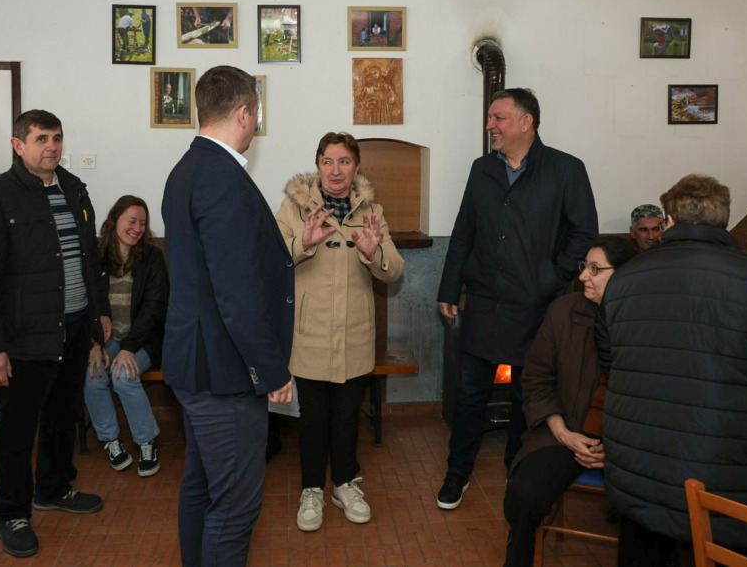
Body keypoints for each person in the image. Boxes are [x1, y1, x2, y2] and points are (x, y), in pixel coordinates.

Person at [598, 174, 747, 565]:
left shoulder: (625, 279)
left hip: (639, 454)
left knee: (644, 547)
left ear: (669, 221)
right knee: (723, 552)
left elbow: (610, 356)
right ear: (724, 220)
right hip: (724, 460)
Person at [436, 87, 598, 510]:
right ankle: (457, 472)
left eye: (499, 118)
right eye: (490, 118)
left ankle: (518, 468)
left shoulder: (566, 169)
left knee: (527, 398)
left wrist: (551, 279)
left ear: (526, 122)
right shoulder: (481, 169)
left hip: (536, 308)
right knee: (469, 394)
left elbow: (584, 233)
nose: (490, 125)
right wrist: (449, 288)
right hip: (484, 303)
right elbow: (464, 231)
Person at [0, 109, 110, 559]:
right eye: (41, 138)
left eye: (57, 138)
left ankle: (54, 488)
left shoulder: (73, 188)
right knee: (16, 430)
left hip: (74, 327)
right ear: (18, 145)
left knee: (63, 417)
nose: (52, 146)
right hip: (24, 337)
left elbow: (89, 259)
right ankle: (12, 512)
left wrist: (99, 315)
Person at [161, 65, 294, 567]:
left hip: (197, 363)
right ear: (244, 113)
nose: (256, 122)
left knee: (201, 487)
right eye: (256, 113)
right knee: (234, 507)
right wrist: (272, 370)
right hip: (224, 371)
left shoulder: (187, 169)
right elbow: (237, 294)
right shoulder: (222, 178)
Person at [275, 132, 404, 532]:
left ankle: (345, 484)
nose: (336, 170)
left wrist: (373, 253)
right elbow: (271, 258)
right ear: (317, 165)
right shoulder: (294, 207)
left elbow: (395, 270)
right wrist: (303, 243)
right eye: (328, 161)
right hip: (310, 332)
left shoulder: (372, 211)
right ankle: (312, 489)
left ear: (356, 166)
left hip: (354, 332)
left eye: (344, 161)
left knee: (348, 415)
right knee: (313, 417)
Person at [503, 236, 636, 567]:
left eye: (595, 269)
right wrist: (563, 433)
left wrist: (615, 448)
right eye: (584, 266)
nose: (583, 276)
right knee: (524, 496)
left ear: (623, 275)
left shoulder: (644, 322)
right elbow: (535, 378)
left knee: (650, 509)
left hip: (627, 442)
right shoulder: (564, 311)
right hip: (565, 429)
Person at [84, 195, 167, 477]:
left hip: (144, 339)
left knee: (123, 375)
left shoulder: (152, 257)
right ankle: (111, 440)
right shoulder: (96, 256)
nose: (137, 228)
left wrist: (129, 348)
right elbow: (88, 304)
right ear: (115, 220)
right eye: (131, 221)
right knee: (93, 374)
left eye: (143, 223)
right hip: (107, 338)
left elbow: (154, 308)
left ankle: (146, 441)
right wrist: (94, 344)